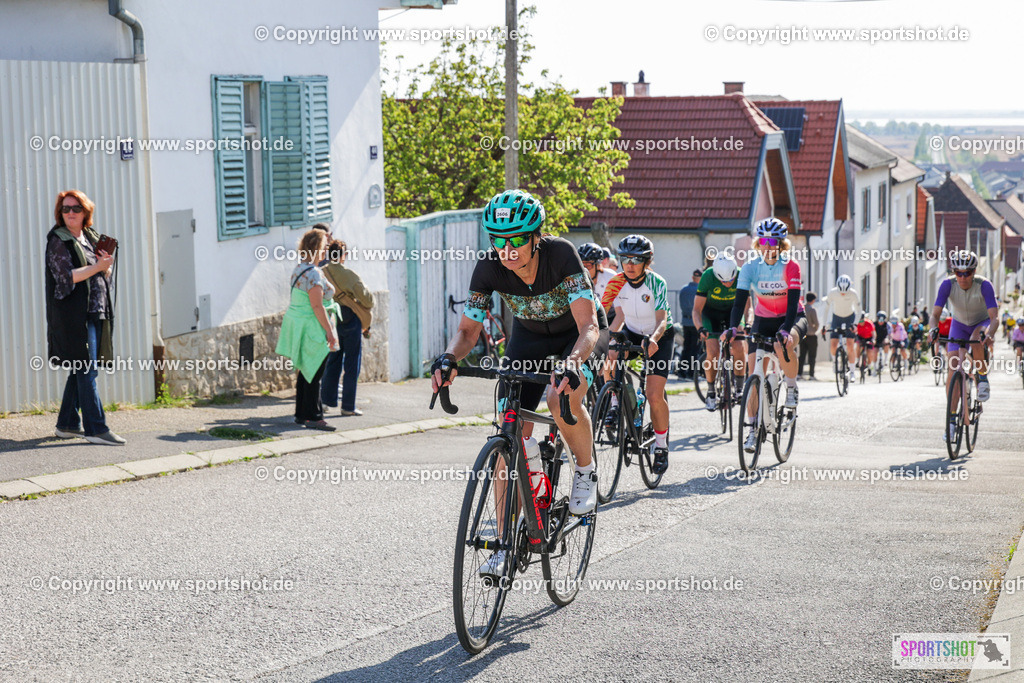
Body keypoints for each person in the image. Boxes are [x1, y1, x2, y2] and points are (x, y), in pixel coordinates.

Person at [431, 189, 600, 578]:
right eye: (498, 240)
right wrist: (449, 358)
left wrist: (573, 364)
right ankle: (505, 543)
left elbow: (588, 325)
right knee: (510, 434)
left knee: (561, 400)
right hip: (528, 337)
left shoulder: (561, 255)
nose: (507, 250)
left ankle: (586, 471)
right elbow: (468, 331)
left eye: (517, 240)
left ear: (536, 236)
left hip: (575, 335)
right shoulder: (489, 266)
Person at [45, 190, 126, 445]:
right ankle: (96, 428)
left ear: (85, 212)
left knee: (80, 369)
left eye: (75, 209)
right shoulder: (58, 240)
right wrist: (97, 268)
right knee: (87, 370)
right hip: (74, 316)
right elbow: (65, 277)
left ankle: (67, 424)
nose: (70, 213)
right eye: (65, 209)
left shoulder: (90, 237)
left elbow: (101, 272)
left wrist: (106, 266)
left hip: (95, 311)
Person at [730, 217, 807, 454]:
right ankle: (753, 430)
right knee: (754, 374)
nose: (768, 245)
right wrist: (733, 327)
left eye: (774, 241)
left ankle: (791, 387)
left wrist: (786, 329)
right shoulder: (750, 267)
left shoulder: (790, 266)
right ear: (758, 243)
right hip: (763, 320)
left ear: (781, 243)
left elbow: (793, 304)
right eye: (763, 240)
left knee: (783, 343)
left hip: (791, 317)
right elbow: (739, 302)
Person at [601, 235, 675, 473]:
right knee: (610, 357)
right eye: (625, 259)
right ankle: (614, 403)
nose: (630, 264)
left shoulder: (657, 282)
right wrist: (604, 338)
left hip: (659, 336)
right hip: (632, 331)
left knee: (654, 395)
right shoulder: (616, 282)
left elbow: (662, 319)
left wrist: (653, 339)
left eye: (636, 259)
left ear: (647, 261)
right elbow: (612, 316)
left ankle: (662, 447)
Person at [928, 250, 999, 442]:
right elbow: (934, 315)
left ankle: (982, 379)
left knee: (977, 337)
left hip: (980, 323)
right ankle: (951, 421)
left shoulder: (984, 285)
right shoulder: (947, 285)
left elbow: (994, 318)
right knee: (952, 371)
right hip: (958, 326)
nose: (962, 277)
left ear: (974, 272)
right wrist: (933, 330)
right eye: (958, 273)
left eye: (967, 273)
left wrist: (990, 333)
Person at [275, 229, 341, 431]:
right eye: (324, 247)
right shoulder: (313, 273)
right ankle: (313, 415)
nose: (325, 251)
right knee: (314, 371)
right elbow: (317, 306)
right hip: (312, 327)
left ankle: (301, 414)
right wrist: (329, 331)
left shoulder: (299, 269)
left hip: (300, 325)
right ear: (317, 249)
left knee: (305, 370)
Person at [320, 236, 373, 417]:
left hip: (331, 320)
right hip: (350, 321)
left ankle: (326, 402)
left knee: (333, 361)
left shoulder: (321, 273)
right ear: (343, 255)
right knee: (352, 364)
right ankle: (348, 406)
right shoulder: (349, 275)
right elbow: (368, 300)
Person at [692, 253, 746, 411]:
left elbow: (747, 306)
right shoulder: (708, 276)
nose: (728, 283)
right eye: (724, 280)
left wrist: (747, 323)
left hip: (733, 313)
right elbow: (696, 310)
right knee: (713, 351)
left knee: (739, 346)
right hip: (711, 314)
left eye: (730, 280)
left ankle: (739, 388)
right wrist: (700, 328)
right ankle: (710, 391)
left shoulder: (742, 274)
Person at [821, 275, 861, 382]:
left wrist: (855, 324)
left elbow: (859, 310)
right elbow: (826, 309)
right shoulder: (833, 293)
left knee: (850, 345)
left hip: (849, 317)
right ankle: (835, 362)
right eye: (841, 291)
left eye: (845, 292)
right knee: (833, 344)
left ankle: (852, 371)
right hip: (836, 317)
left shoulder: (853, 294)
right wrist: (824, 325)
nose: (843, 293)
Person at [677, 269, 702, 380]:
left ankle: (682, 372)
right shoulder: (700, 290)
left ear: (692, 277)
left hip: (686, 322)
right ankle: (691, 373)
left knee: (686, 348)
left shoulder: (683, 290)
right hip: (696, 323)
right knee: (695, 349)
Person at [799, 292, 820, 379]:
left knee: (802, 355)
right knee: (812, 356)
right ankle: (811, 375)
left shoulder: (802, 308)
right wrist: (815, 329)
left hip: (803, 334)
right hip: (811, 334)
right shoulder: (812, 309)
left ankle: (799, 373)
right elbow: (816, 323)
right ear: (813, 300)